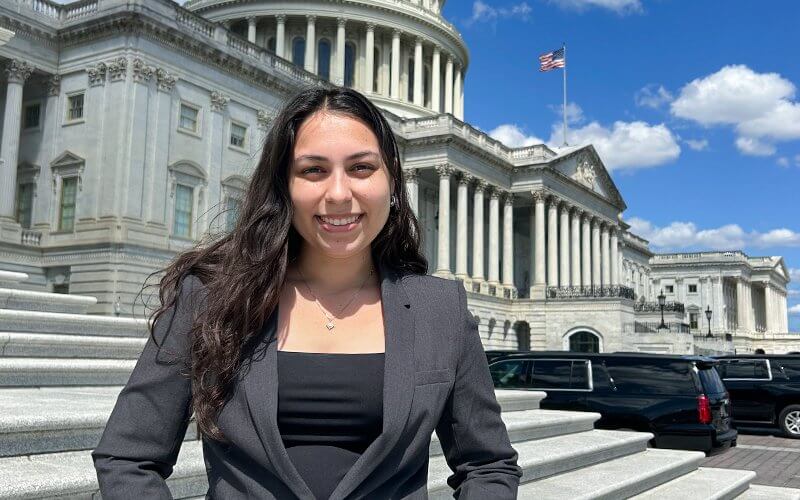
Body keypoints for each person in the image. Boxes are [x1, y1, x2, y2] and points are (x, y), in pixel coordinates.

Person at [92, 86, 522, 499]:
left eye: (361, 168)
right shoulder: (209, 296)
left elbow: (487, 464)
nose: (338, 194)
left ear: (392, 181)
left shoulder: (439, 309)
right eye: (313, 170)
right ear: (285, 187)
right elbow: (129, 456)